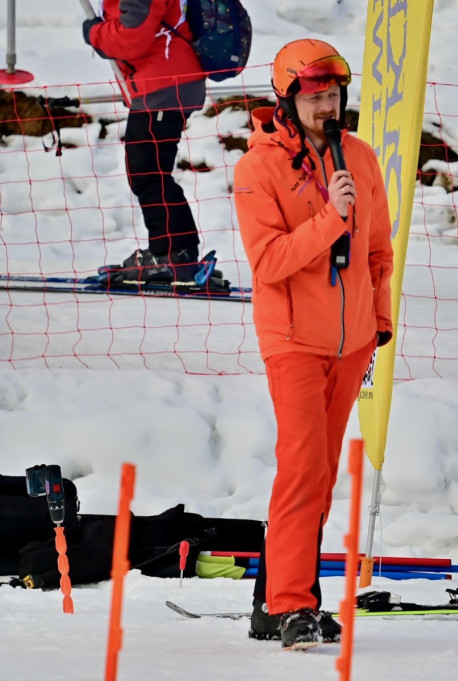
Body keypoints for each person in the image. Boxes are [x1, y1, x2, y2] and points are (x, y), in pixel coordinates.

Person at [232, 38, 394, 651]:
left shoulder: (362, 156)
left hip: (351, 343)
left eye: (334, 96)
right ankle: (292, 604)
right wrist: (330, 217)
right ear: (288, 100)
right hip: (294, 340)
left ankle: (276, 604)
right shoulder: (259, 167)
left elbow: (379, 251)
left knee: (320, 475)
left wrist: (377, 324)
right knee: (302, 467)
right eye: (316, 98)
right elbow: (269, 261)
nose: (329, 108)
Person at [82, 0, 210, 287]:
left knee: (147, 173)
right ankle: (179, 253)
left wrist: (94, 33)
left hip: (164, 84)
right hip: (164, 83)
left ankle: (171, 256)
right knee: (150, 173)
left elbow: (132, 37)